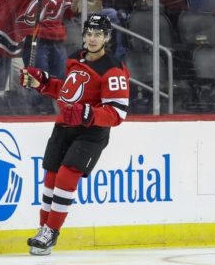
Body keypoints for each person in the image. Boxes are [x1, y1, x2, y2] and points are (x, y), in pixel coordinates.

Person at [19, 14, 130, 256]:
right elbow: (67, 93)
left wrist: (88, 114)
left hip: (91, 133)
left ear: (107, 37)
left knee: (67, 176)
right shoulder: (74, 59)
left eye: (98, 34)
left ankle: (51, 231)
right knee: (51, 177)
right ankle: (43, 229)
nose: (92, 38)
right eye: (89, 33)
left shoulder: (113, 69)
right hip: (64, 126)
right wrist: (43, 82)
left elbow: (117, 113)